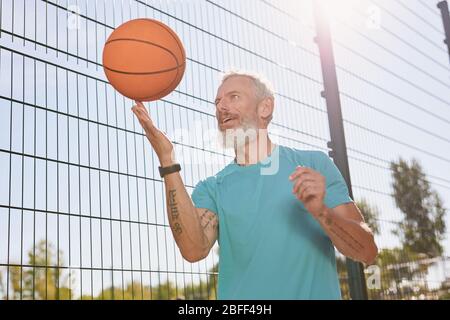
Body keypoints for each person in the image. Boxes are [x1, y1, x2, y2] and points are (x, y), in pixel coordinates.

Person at [131, 70, 378, 300]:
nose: (222, 107)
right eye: (217, 102)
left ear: (265, 107)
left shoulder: (313, 164)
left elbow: (367, 252)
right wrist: (167, 159)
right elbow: (194, 250)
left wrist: (322, 213)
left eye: (233, 97)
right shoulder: (213, 188)